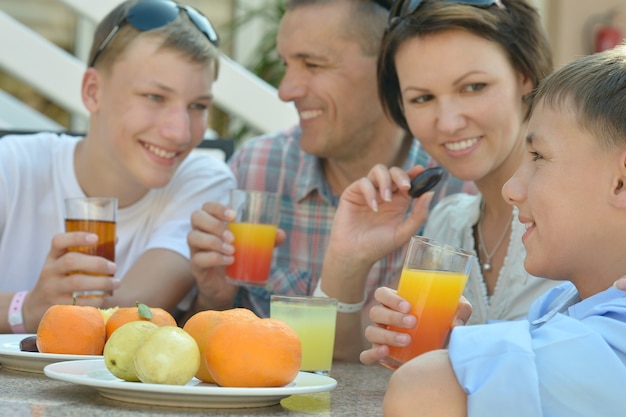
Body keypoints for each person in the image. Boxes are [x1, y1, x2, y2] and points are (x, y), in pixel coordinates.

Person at [184, 0, 473, 360]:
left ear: (390, 69)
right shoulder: (258, 168)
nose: (286, 90)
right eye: (287, 64)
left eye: (313, 64)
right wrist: (212, 297)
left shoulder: (460, 186)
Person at [379, 43, 626, 417]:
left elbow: (421, 391)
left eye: (539, 157)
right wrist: (453, 349)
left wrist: (449, 365)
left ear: (621, 182)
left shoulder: (610, 339)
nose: (512, 190)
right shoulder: (559, 305)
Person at [319, 0, 562, 361]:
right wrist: (347, 259)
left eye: (473, 87)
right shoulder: (448, 225)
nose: (447, 122)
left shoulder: (589, 211)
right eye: (422, 98)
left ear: (525, 76)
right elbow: (341, 370)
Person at [0, 0, 235, 333]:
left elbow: (133, 311)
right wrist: (25, 307)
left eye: (198, 105)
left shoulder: (201, 183)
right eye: (155, 97)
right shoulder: (12, 165)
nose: (180, 132)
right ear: (93, 91)